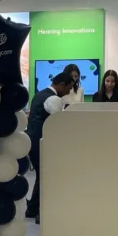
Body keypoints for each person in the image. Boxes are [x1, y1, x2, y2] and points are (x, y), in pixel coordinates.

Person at [25, 72, 75, 220]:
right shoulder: (54, 99)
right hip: (42, 144)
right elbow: (58, 124)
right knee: (46, 177)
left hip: (32, 141)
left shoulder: (39, 95)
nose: (68, 92)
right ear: (62, 85)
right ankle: (39, 211)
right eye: (69, 88)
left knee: (42, 176)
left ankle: (32, 208)